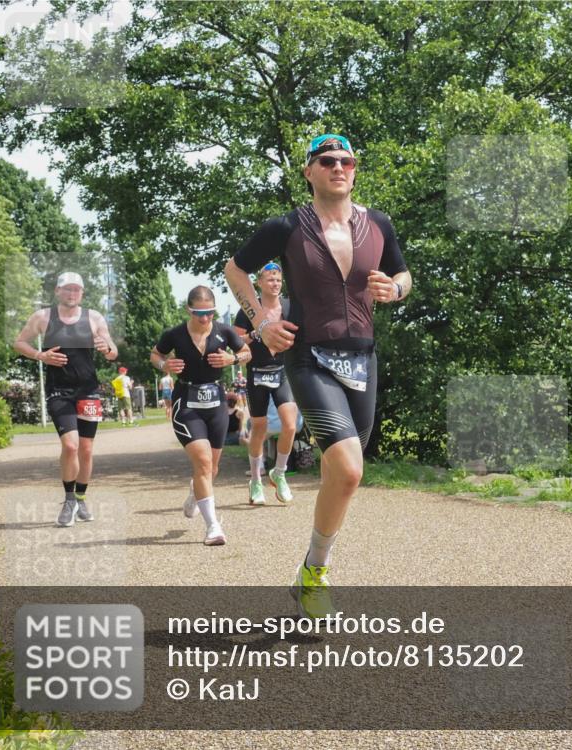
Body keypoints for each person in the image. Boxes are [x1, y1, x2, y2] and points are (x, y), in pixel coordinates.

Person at [224, 133, 411, 616]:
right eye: (327, 161)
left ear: (355, 169)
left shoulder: (379, 224)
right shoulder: (286, 227)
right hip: (309, 357)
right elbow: (234, 269)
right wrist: (262, 322)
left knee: (340, 475)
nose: (339, 168)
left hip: (364, 358)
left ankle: (308, 565)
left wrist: (396, 288)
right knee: (350, 469)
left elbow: (403, 274)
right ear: (309, 171)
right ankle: (317, 574)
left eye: (347, 161)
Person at [13, 272, 118, 527]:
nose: (72, 294)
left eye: (76, 290)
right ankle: (69, 499)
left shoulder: (93, 317)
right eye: (67, 289)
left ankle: (81, 497)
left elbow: (113, 352)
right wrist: (41, 355)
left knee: (86, 448)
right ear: (58, 291)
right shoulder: (43, 317)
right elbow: (19, 342)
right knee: (70, 446)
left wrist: (106, 349)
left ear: (82, 293)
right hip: (59, 390)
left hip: (89, 391)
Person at [150, 286, 251, 546]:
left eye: (209, 313)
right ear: (189, 310)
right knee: (204, 462)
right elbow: (156, 354)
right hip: (187, 402)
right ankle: (213, 526)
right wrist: (164, 365)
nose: (205, 318)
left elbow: (246, 354)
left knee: (211, 468)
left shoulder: (224, 331)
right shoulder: (175, 334)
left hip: (216, 401)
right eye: (199, 313)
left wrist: (232, 360)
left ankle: (195, 495)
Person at [232, 262, 298, 505]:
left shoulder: (289, 307)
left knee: (290, 426)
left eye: (279, 279)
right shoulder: (250, 309)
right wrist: (255, 334)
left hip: (282, 372)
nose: (275, 283)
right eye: (270, 279)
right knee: (259, 428)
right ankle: (256, 481)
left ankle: (279, 474)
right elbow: (234, 339)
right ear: (259, 283)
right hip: (256, 372)